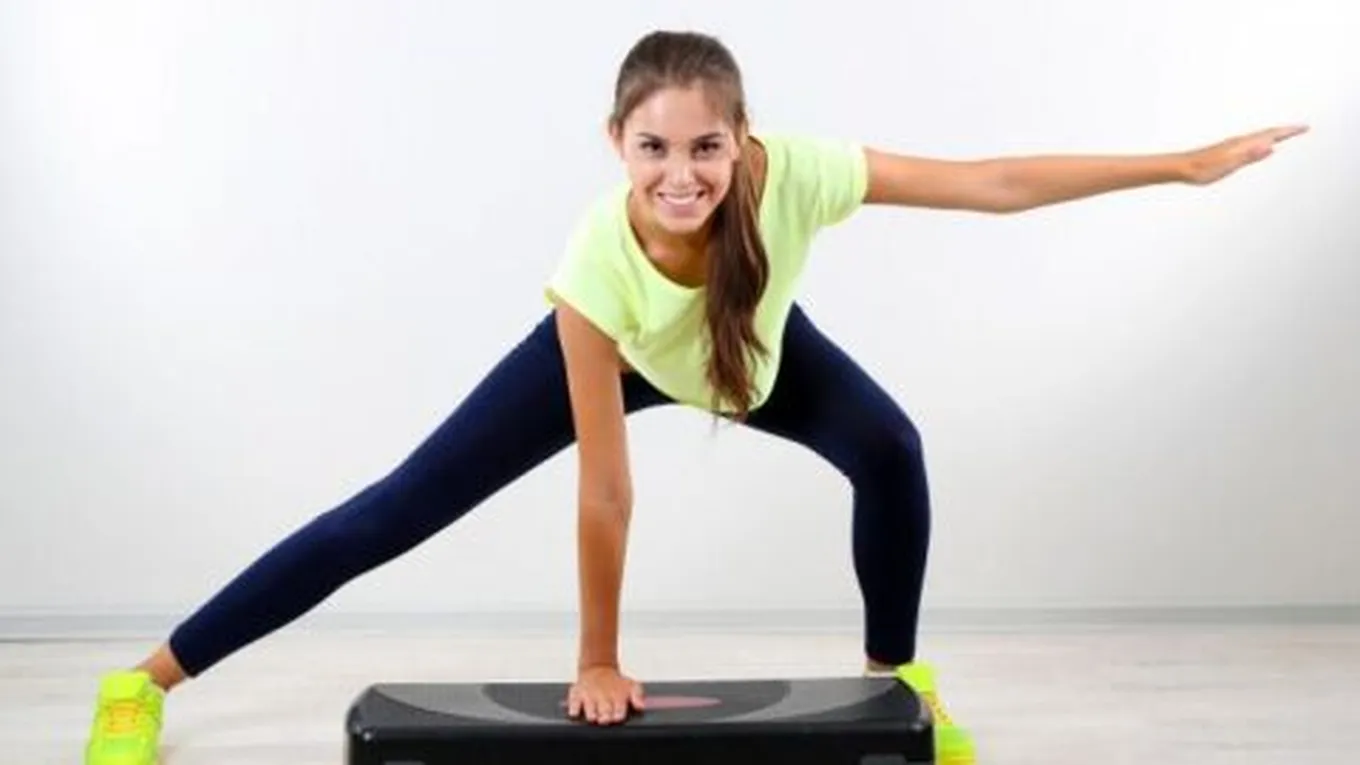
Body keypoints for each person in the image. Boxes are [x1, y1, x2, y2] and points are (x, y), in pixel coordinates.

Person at [83, 28, 1305, 765]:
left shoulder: (796, 175)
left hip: (746, 352)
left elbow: (988, 183)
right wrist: (597, 660)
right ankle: (143, 682)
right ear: (616, 143)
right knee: (395, 510)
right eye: (654, 148)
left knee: (889, 448)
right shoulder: (593, 268)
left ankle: (899, 680)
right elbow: (607, 491)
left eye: (705, 147)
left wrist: (1180, 166)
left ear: (741, 142)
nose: (682, 174)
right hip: (622, 355)